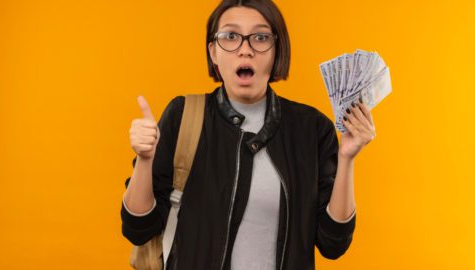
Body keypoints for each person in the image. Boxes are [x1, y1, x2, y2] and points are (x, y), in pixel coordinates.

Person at [121, 0, 376, 269]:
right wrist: (145, 160)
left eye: (260, 37)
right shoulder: (183, 115)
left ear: (277, 51)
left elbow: (333, 244)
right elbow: (138, 229)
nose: (245, 50)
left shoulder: (312, 129)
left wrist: (348, 158)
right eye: (230, 36)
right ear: (213, 53)